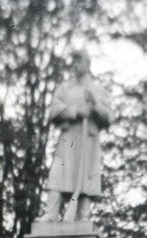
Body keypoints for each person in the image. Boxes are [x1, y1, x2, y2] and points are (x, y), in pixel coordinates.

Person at [38, 48, 113, 222]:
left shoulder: (97, 90)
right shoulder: (65, 88)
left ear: (88, 64)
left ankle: (83, 216)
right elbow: (54, 111)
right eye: (74, 61)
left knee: (85, 177)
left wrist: (95, 106)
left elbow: (109, 117)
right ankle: (51, 213)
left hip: (88, 141)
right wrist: (77, 112)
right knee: (56, 174)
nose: (76, 65)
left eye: (79, 61)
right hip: (68, 139)